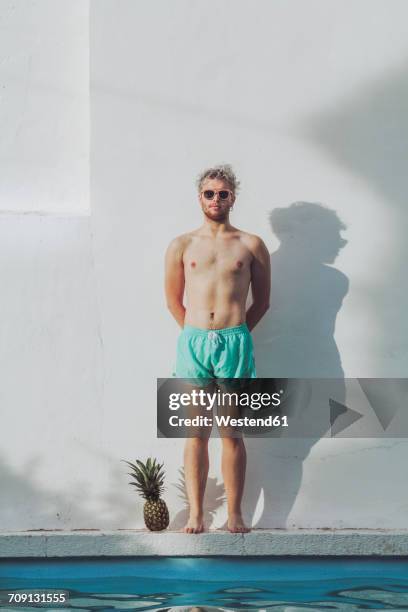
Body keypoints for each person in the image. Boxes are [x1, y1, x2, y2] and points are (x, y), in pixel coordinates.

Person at [165, 165, 270, 533]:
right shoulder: (182, 244)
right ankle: (196, 513)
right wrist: (197, 334)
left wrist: (234, 334)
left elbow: (263, 302)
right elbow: (173, 300)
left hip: (234, 342)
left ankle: (235, 514)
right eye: (209, 193)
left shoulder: (251, 244)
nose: (216, 199)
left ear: (233, 198)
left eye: (222, 193)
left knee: (232, 433)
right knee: (196, 433)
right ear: (200, 197)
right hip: (194, 342)